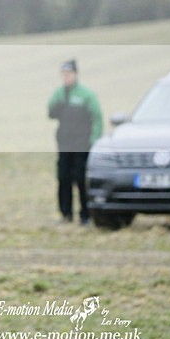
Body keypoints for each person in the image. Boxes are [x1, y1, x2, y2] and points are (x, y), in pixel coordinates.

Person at [47, 59, 103, 225]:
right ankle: (66, 214)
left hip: (82, 144)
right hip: (64, 144)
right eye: (63, 74)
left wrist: (94, 140)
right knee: (63, 179)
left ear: (76, 74)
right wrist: (57, 102)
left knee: (81, 179)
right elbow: (51, 113)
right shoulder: (59, 94)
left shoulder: (86, 95)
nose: (66, 77)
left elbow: (97, 118)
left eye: (68, 74)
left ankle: (86, 215)